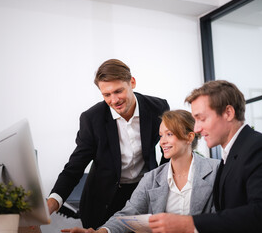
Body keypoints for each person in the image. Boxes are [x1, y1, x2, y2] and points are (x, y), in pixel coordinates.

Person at [148, 80, 262, 233]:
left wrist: (189, 223)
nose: (196, 128)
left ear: (228, 113)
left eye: (201, 118)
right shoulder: (230, 155)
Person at [47, 59, 170, 229]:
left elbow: (169, 150)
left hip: (142, 194)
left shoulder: (157, 107)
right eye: (107, 95)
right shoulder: (92, 119)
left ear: (132, 82)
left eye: (118, 91)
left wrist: (164, 185)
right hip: (102, 202)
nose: (114, 100)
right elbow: (74, 167)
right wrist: (51, 204)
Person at [61, 109, 220, 233]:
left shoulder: (215, 170)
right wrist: (101, 231)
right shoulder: (152, 178)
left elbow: (224, 219)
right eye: (161, 135)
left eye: (169, 134)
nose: (162, 141)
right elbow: (127, 215)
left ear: (189, 137)